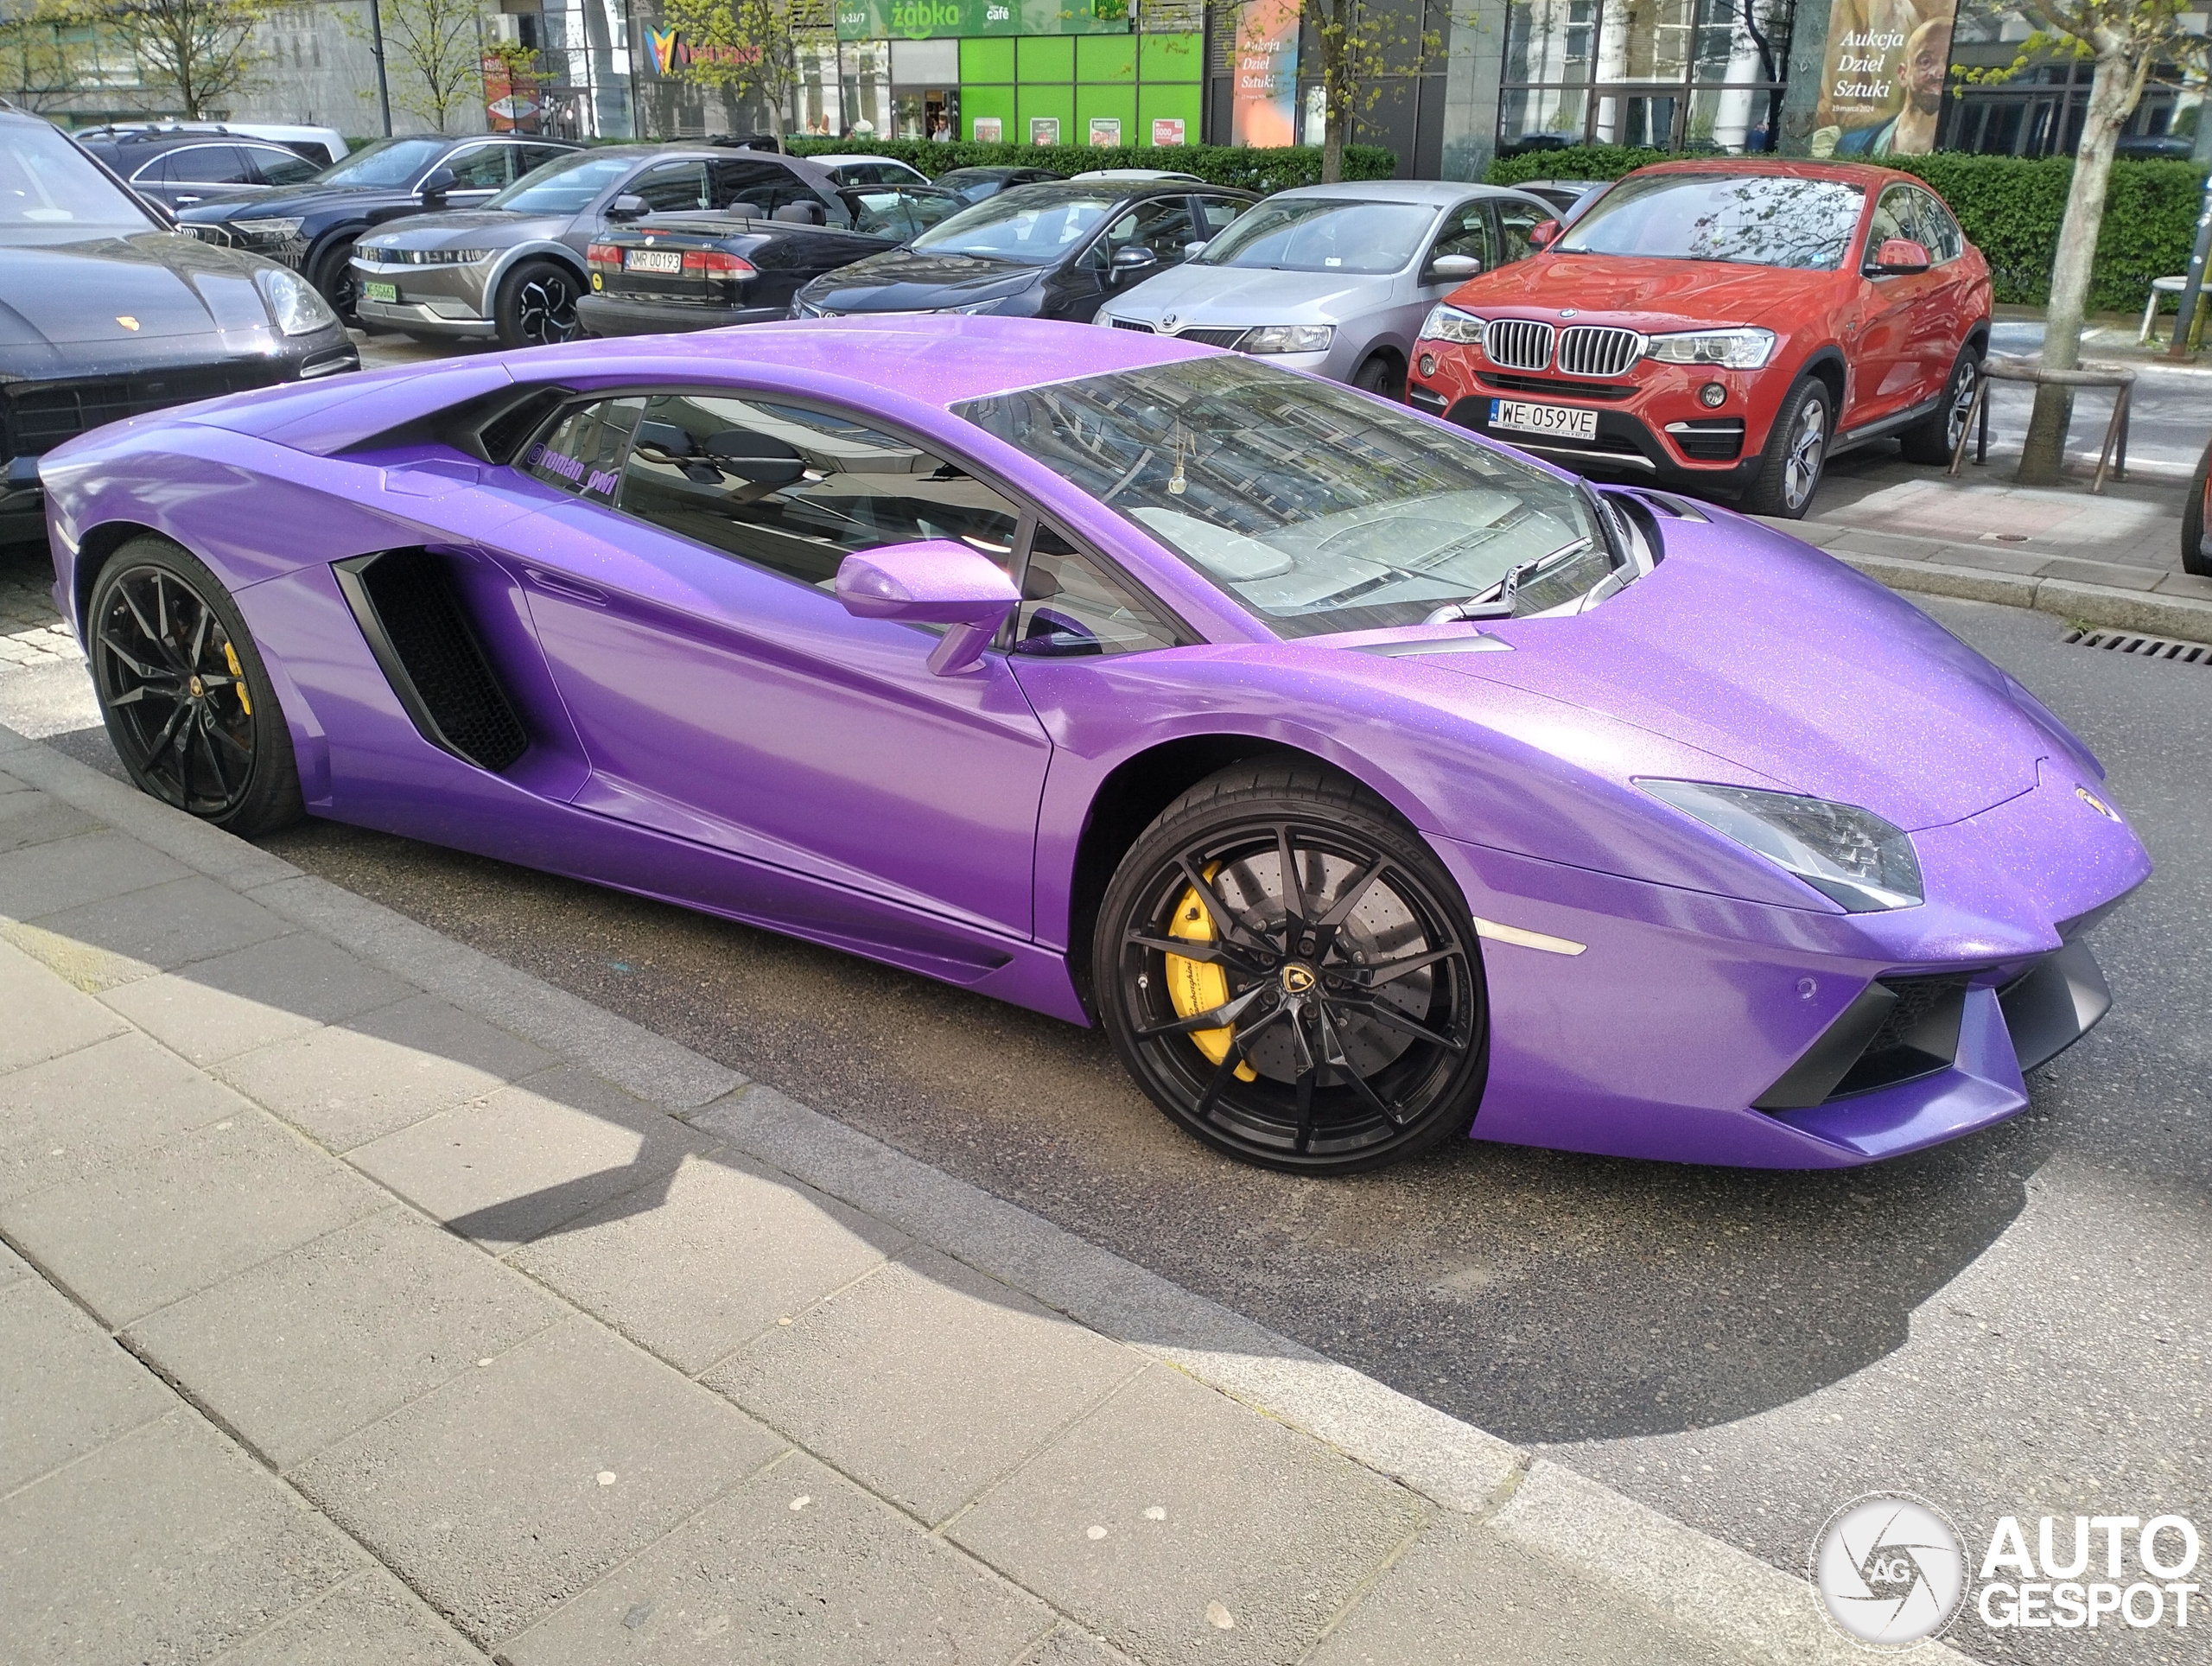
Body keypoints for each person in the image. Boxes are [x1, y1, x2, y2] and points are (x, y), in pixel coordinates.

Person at [1835, 17, 1951, 157]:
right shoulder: (1850, 147)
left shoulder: (1968, 151)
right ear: (1903, 75)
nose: (1939, 72)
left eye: (1949, 63)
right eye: (1926, 61)